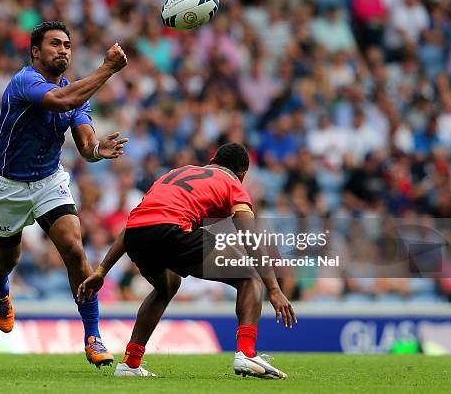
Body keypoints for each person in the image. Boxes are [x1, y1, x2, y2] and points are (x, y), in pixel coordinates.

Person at [78, 143, 296, 378]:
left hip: (137, 236)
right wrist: (273, 289)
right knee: (249, 276)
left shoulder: (174, 174)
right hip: (172, 230)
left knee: (167, 286)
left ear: (213, 161)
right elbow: (250, 234)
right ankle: (246, 353)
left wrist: (101, 270)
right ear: (242, 174)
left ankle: (130, 363)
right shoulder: (232, 183)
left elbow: (135, 224)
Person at [0, 21, 128, 367]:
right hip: (7, 186)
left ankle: (93, 336)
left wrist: (97, 150)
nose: (63, 50)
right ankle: (0, 288)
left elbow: (85, 146)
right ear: (36, 52)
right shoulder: (25, 82)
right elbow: (60, 100)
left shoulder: (77, 93)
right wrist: (107, 68)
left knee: (75, 250)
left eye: (67, 45)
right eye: (55, 44)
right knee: (7, 260)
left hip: (48, 181)